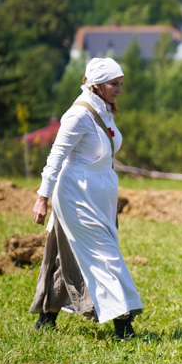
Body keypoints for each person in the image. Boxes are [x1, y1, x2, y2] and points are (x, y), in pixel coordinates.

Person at [30, 57, 143, 340]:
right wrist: (42, 197)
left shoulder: (104, 111)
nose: (119, 89)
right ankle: (123, 324)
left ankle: (47, 316)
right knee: (106, 256)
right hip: (76, 194)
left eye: (120, 83)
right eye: (114, 84)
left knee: (67, 254)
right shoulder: (78, 114)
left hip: (99, 194)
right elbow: (56, 157)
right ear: (96, 85)